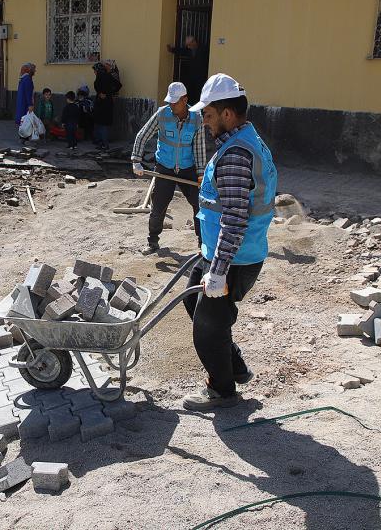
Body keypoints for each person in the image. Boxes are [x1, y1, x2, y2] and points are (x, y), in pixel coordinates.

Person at [180, 73, 278, 411]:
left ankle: (222, 391)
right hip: (225, 253)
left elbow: (235, 218)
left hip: (234, 258)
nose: (204, 123)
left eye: (207, 115)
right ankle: (234, 366)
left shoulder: (236, 154)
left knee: (207, 327)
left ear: (227, 114)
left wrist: (218, 271)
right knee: (193, 302)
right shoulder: (243, 140)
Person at [131, 81, 206, 255]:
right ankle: (153, 242)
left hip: (188, 168)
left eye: (175, 102)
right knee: (158, 206)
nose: (171, 105)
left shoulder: (197, 118)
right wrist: (136, 160)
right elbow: (142, 135)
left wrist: (201, 174)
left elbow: (199, 148)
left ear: (185, 100)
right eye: (170, 101)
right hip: (165, 167)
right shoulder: (162, 114)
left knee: (199, 205)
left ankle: (203, 244)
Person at [167, 35, 209, 104]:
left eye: (189, 45)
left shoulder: (203, 50)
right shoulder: (189, 50)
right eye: (187, 45)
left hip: (201, 77)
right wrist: (172, 50)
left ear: (194, 42)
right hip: (191, 76)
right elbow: (182, 51)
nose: (188, 47)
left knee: (199, 94)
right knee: (191, 93)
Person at [92, 61, 122, 150]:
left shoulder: (99, 78)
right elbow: (119, 85)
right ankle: (102, 143)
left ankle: (104, 144)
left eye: (95, 71)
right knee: (103, 124)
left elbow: (98, 89)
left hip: (101, 103)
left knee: (101, 124)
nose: (94, 72)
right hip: (108, 102)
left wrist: (103, 93)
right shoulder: (109, 76)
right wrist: (110, 93)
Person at [14, 62, 36, 128]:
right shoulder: (27, 79)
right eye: (33, 69)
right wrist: (30, 105)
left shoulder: (22, 79)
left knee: (23, 122)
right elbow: (28, 93)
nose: (35, 71)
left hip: (22, 103)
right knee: (26, 122)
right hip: (25, 104)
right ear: (29, 70)